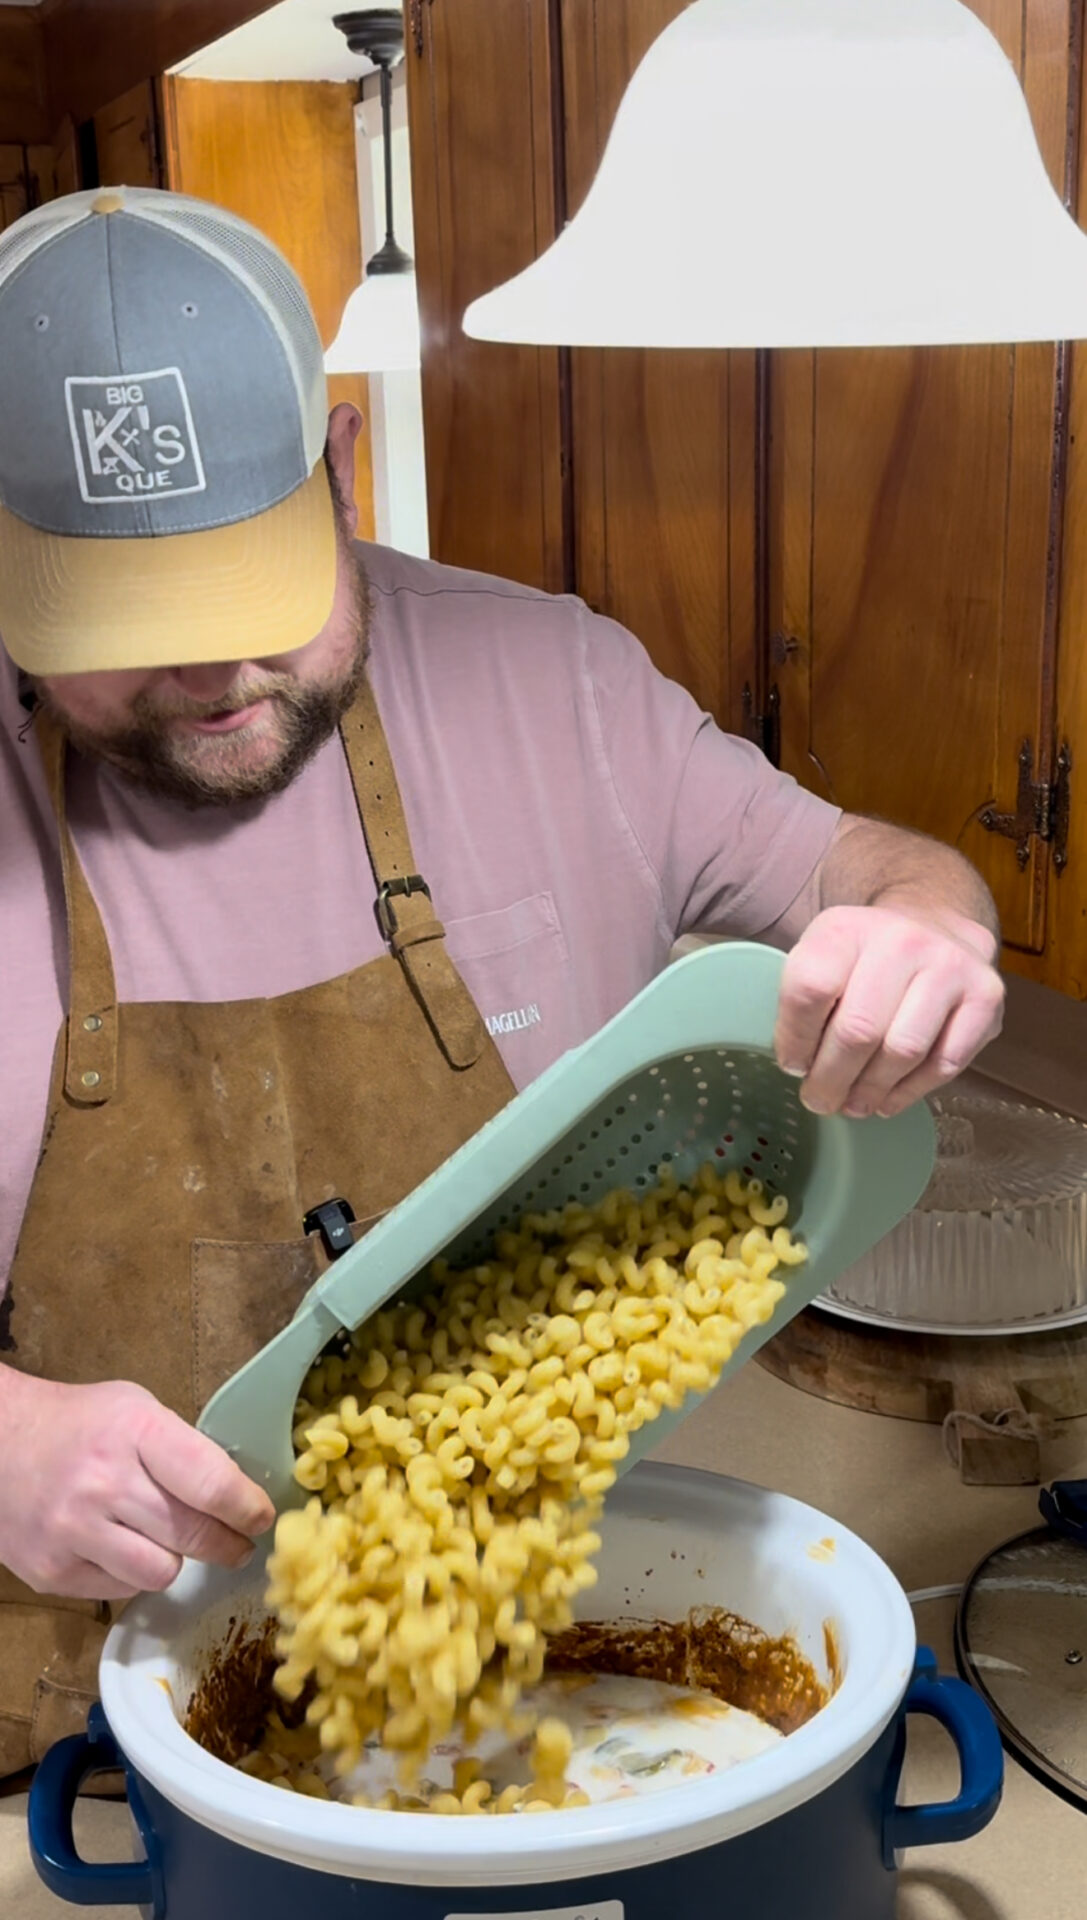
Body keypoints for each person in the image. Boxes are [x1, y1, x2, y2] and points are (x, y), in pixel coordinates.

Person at [0, 186, 1004, 1773]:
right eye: (130, 621)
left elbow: (872, 870)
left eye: (252, 588)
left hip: (522, 1630)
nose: (207, 671)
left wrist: (929, 933)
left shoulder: (556, 687)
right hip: (75, 1721)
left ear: (338, 470)